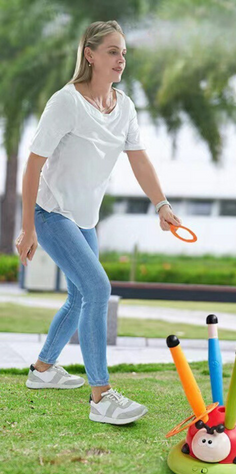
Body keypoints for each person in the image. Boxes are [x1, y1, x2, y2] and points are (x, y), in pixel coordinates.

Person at [15, 21, 181, 426]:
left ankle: (42, 370)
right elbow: (33, 164)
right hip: (51, 212)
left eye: (123, 52)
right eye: (112, 51)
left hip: (84, 217)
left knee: (78, 295)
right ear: (89, 55)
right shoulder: (66, 102)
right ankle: (101, 396)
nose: (120, 59)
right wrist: (27, 227)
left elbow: (139, 157)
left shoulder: (123, 106)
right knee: (97, 287)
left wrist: (161, 203)